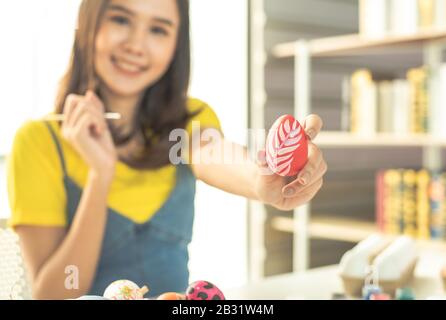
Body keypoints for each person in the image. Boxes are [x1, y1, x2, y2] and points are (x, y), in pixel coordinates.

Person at [7, 0, 327, 300]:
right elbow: (53, 293)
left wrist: (262, 178)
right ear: (87, 23)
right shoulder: (38, 142)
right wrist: (99, 176)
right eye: (121, 19)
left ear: (177, 43)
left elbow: (211, 152)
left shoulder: (187, 121)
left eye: (158, 29)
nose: (136, 44)